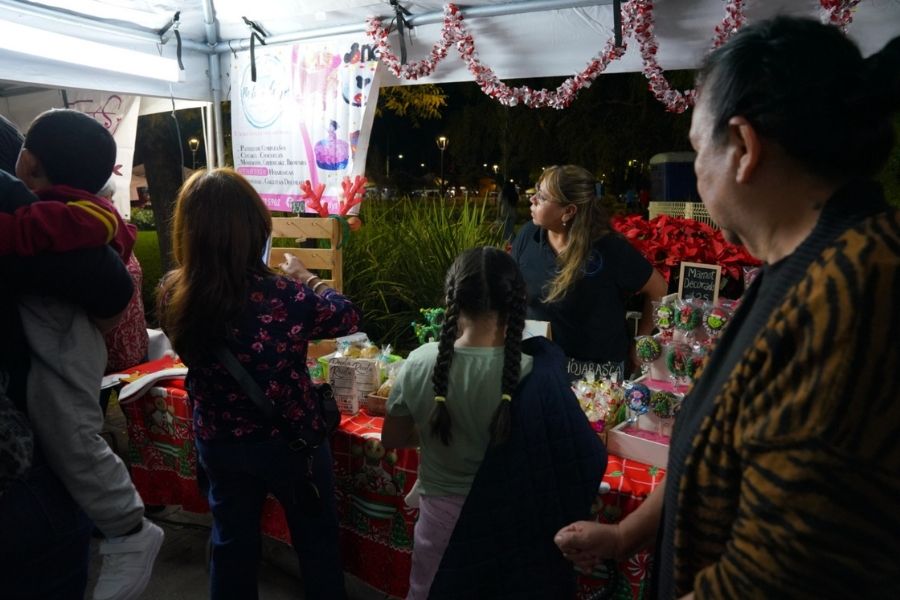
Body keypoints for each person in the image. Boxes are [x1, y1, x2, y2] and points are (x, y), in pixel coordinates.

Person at [555, 16, 900, 598]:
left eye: (697, 148)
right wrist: (627, 536)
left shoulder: (852, 293)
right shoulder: (794, 269)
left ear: (742, 147)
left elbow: (777, 574)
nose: (695, 172)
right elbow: (710, 438)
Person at [157, 168, 361, 600]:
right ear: (255, 228)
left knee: (232, 545)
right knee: (317, 544)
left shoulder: (173, 292)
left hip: (221, 441)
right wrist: (308, 277)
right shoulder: (288, 295)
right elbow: (345, 315)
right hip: (294, 442)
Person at [382, 246, 607, 599]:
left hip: (439, 515)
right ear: (518, 299)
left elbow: (393, 438)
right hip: (512, 515)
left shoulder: (419, 362)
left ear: (451, 298)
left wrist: (437, 429)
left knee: (432, 590)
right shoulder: (536, 371)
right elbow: (572, 450)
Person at [11, 108, 163, 600]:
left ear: (29, 163)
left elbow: (30, 235)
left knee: (71, 430)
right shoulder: (62, 206)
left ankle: (128, 529)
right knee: (67, 425)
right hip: (62, 332)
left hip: (68, 333)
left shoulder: (75, 212)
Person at [511, 165, 667, 380]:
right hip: (540, 368)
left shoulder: (609, 249)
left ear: (568, 211)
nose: (532, 199)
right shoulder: (529, 235)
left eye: (542, 197)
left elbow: (658, 289)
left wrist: (641, 340)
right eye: (536, 191)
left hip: (595, 379)